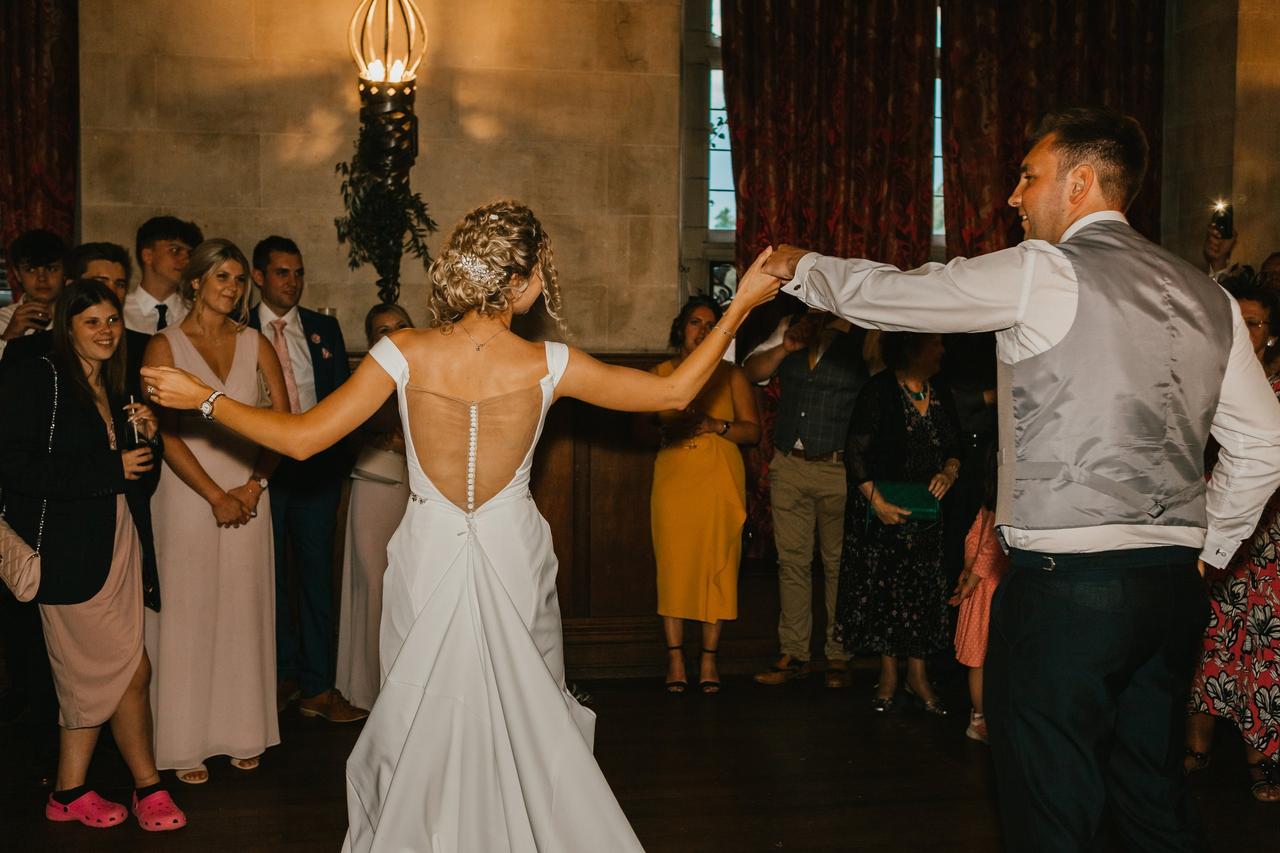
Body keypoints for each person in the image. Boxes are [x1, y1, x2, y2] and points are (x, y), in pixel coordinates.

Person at [141, 199, 782, 852]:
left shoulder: (404, 351)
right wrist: (742, 304)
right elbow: (673, 393)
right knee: (524, 713)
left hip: (428, 551)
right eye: (539, 272)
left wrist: (205, 399)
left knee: (424, 712)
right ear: (517, 281)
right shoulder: (549, 363)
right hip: (512, 552)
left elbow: (303, 438)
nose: (541, 284)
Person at [761, 107, 1280, 851]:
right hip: (1171, 591)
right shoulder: (1212, 298)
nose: (1013, 195)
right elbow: (1264, 443)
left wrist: (801, 266)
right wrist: (1209, 549)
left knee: (1051, 806)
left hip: (1067, 593)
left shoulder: (1046, 271)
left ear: (1080, 182)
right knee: (1152, 797)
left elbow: (906, 294)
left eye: (1028, 177)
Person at [0, 280, 185, 831]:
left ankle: (68, 793)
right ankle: (149, 786)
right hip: (67, 554)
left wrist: (148, 439)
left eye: (111, 320)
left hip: (119, 542)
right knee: (128, 670)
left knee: (95, 678)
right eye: (92, 322)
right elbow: (15, 467)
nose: (106, 332)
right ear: (67, 327)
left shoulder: (113, 382)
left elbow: (137, 482)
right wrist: (111, 467)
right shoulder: (39, 377)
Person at [142, 239, 289, 784]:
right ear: (196, 281)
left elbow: (285, 424)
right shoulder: (164, 346)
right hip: (186, 495)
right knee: (189, 611)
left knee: (243, 611)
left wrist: (254, 485)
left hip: (250, 494)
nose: (232, 287)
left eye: (238, 279)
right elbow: (165, 435)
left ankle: (242, 731)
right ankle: (183, 741)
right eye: (221, 276)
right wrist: (214, 495)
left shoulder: (256, 344)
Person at [247, 235, 361, 722]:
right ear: (259, 276)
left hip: (316, 472)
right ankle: (277, 678)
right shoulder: (239, 328)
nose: (292, 282)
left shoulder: (322, 328)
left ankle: (318, 686)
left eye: (298, 273)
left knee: (317, 579)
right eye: (281, 273)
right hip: (260, 470)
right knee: (266, 577)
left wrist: (337, 461)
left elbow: (340, 398)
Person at [1186, 280, 1280, 801]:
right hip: (1209, 524)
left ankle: (1261, 758)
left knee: (1264, 650)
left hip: (1267, 538)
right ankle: (1196, 746)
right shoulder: (1203, 378)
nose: (1243, 330)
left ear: (1271, 333)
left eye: (1254, 323)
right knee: (1208, 636)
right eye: (1236, 321)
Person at [638, 296, 760, 694]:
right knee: (673, 567)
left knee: (717, 568)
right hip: (674, 482)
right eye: (696, 322)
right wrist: (664, 429)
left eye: (711, 325)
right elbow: (639, 429)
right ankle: (675, 658)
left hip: (720, 481)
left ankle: (709, 659)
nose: (703, 331)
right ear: (681, 328)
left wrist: (715, 425)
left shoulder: (732, 375)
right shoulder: (660, 374)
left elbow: (752, 432)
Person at [835, 332, 961, 714]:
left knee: (922, 594)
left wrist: (949, 471)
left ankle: (917, 676)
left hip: (926, 517)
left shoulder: (940, 390)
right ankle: (889, 674)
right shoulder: (878, 391)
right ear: (913, 348)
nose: (941, 350)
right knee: (887, 593)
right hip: (884, 509)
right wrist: (878, 503)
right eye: (935, 343)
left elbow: (956, 445)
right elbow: (855, 453)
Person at [744, 309, 869, 688]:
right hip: (790, 464)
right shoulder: (792, 324)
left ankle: (838, 653)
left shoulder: (864, 331)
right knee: (792, 563)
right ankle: (795, 653)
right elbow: (751, 371)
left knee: (838, 565)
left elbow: (882, 380)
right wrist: (785, 347)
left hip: (838, 467)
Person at [334, 302, 414, 712]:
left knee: (409, 587)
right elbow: (353, 432)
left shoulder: (426, 370)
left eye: (401, 325)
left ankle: (406, 688)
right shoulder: (365, 377)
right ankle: (369, 688)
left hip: (420, 492)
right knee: (374, 585)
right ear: (370, 341)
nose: (394, 333)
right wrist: (389, 436)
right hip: (375, 487)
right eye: (384, 329)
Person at [3, 243, 151, 398]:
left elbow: (150, 390)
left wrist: (152, 401)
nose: (111, 291)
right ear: (71, 286)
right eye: (100, 282)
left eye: (119, 284)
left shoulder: (140, 346)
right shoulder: (28, 351)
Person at [949, 442, 1007, 744]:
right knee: (983, 660)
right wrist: (971, 578)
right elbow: (989, 549)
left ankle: (982, 716)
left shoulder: (987, 505)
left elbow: (972, 539)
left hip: (984, 589)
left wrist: (968, 570)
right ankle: (981, 719)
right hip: (991, 590)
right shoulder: (1002, 508)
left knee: (981, 661)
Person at [124, 216, 203, 335]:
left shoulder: (195, 314)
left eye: (190, 254)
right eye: (175, 250)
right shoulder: (121, 312)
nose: (186, 260)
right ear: (148, 255)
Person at [0, 229, 66, 358]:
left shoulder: (77, 318)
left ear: (64, 272)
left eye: (51, 269)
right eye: (31, 270)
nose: (42, 278)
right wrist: (11, 334)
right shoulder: (3, 319)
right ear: (18, 274)